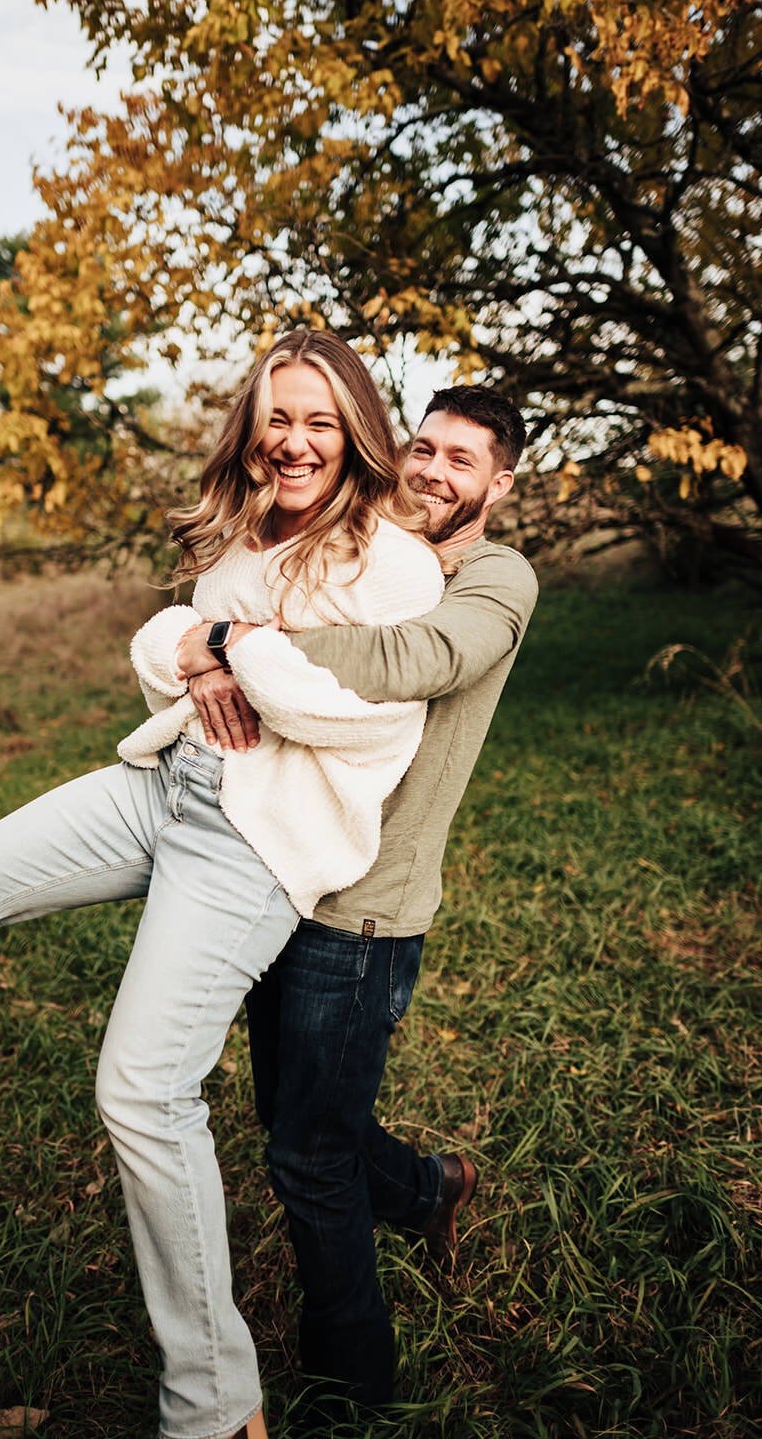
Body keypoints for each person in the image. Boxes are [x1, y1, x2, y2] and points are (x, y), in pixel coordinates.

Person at [0, 329, 447, 1439]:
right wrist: (202, 638)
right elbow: (162, 639)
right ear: (251, 427)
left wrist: (237, 651)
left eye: (319, 420)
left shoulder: (392, 561)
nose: (294, 440)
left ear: (356, 430)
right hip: (165, 783)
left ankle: (218, 1405)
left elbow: (366, 726)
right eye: (277, 416)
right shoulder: (241, 535)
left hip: (254, 838)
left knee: (139, 1089)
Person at [178, 385, 538, 1421]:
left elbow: (412, 661)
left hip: (367, 909)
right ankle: (431, 1191)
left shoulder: (492, 576)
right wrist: (217, 631)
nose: (431, 471)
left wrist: (240, 639)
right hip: (278, 869)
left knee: (308, 1155)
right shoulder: (369, 550)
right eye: (422, 448)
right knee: (289, 1117)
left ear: (498, 485)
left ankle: (350, 1384)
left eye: (461, 461)